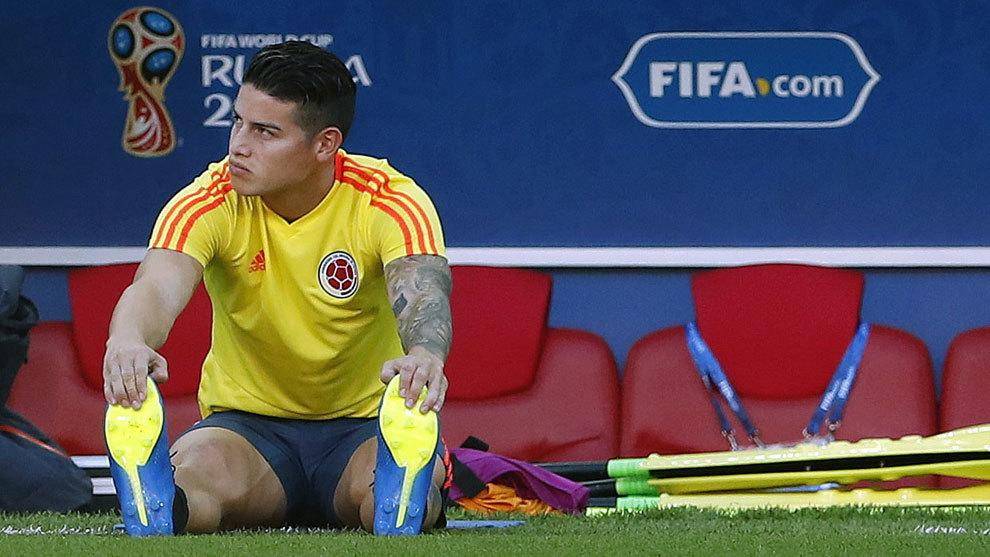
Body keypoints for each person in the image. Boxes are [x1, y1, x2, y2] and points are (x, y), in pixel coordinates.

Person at [101, 40, 452, 536]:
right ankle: (159, 502)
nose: (238, 146)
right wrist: (128, 341)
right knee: (193, 485)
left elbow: (423, 294)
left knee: (382, 507)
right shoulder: (209, 199)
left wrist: (424, 356)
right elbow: (155, 286)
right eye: (238, 122)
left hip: (367, 426)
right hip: (246, 428)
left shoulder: (389, 199)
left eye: (265, 132)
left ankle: (403, 493)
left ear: (325, 144)